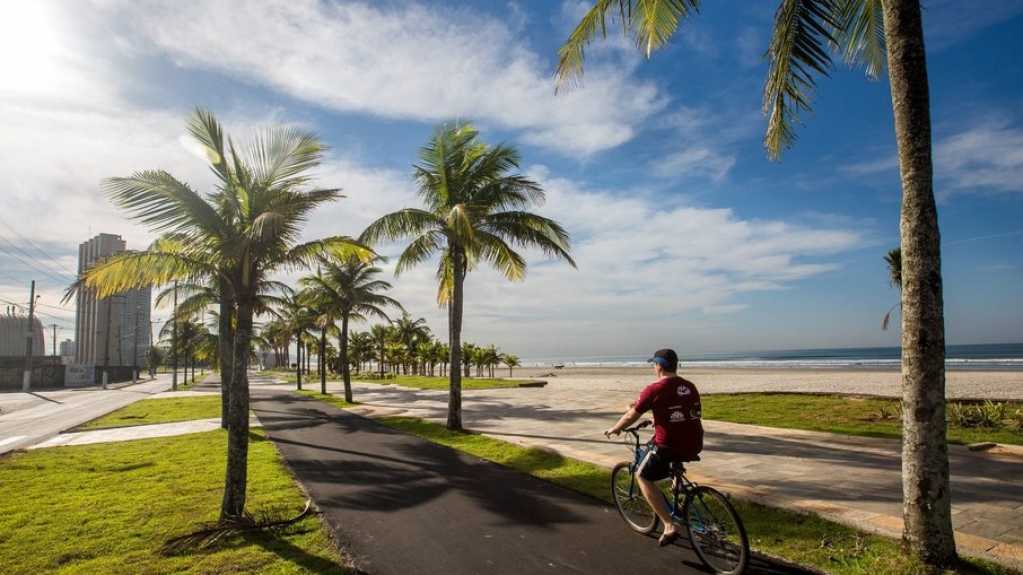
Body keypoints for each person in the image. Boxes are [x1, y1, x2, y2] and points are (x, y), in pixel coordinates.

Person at [604, 348, 703, 546]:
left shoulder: (654, 389)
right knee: (673, 462)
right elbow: (683, 411)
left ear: (658, 365)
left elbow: (632, 415)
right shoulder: (690, 386)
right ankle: (678, 491)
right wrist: (657, 418)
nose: (653, 367)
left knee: (643, 476)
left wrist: (615, 429)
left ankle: (668, 525)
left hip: (668, 445)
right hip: (694, 443)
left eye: (654, 364)